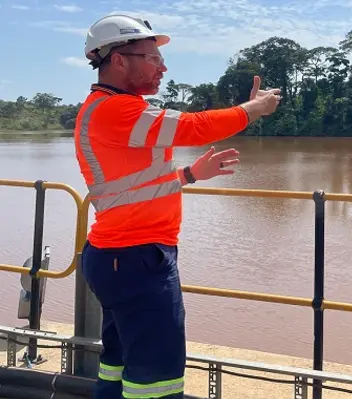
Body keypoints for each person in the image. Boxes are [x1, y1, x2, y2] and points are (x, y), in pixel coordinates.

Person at [74, 14, 280, 399]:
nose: (163, 67)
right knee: (156, 382)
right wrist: (252, 108)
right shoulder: (117, 111)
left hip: (120, 256)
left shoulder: (111, 108)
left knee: (118, 367)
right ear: (119, 60)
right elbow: (194, 127)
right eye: (152, 58)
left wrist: (189, 175)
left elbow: (132, 186)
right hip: (135, 258)